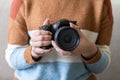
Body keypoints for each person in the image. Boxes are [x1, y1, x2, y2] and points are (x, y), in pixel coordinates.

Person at [5, 0, 113, 80]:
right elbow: (12, 59)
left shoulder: (101, 3)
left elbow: (100, 68)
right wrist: (33, 52)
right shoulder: (22, 2)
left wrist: (89, 50)